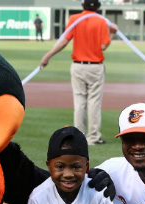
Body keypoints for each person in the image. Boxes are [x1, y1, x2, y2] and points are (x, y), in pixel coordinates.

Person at [40, 1, 118, 146]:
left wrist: (48, 55)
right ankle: (93, 138)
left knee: (79, 102)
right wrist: (112, 33)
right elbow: (103, 46)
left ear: (83, 5)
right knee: (94, 103)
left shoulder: (74, 19)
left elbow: (64, 42)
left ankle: (79, 137)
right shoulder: (101, 21)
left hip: (78, 66)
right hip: (96, 67)